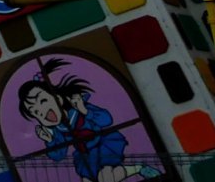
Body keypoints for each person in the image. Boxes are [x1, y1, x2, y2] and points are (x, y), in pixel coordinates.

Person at [15, 58, 161, 182]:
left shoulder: (79, 109)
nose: (41, 111)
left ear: (58, 98)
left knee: (106, 178)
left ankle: (139, 168)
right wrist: (50, 140)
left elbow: (107, 120)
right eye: (35, 112)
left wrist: (85, 110)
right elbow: (58, 156)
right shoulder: (56, 130)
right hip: (85, 156)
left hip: (104, 144)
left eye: (43, 101)